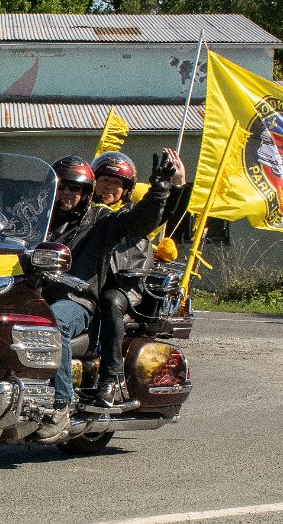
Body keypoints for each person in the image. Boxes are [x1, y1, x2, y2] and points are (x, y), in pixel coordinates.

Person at [34, 152, 176, 442]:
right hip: (32, 295)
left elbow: (139, 222)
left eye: (74, 188)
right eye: (61, 186)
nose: (66, 193)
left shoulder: (101, 221)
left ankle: (60, 405)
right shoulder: (36, 220)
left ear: (87, 192)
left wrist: (160, 191)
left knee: (53, 323)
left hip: (76, 299)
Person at [90, 150, 187, 407]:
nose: (108, 187)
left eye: (116, 183)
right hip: (87, 280)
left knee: (110, 302)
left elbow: (164, 211)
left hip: (123, 285)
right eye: (104, 180)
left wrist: (176, 185)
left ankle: (109, 379)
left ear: (126, 189)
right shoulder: (85, 212)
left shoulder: (135, 214)